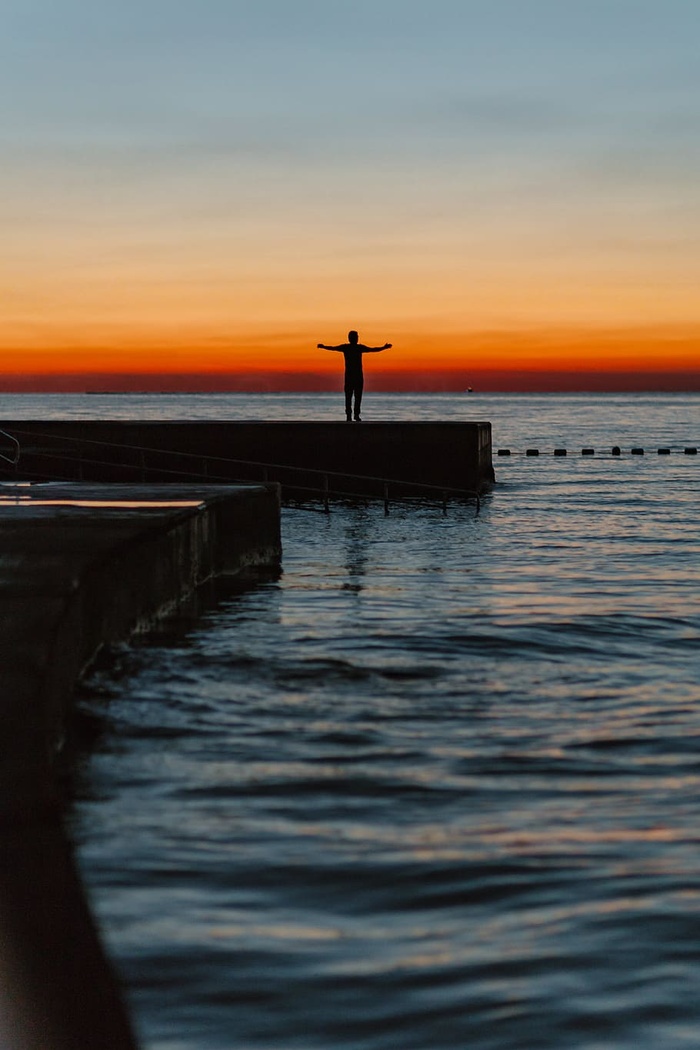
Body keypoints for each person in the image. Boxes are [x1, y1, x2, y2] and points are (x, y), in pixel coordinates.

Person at [317, 330, 392, 421]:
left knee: (356, 396)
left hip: (357, 377)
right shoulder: (348, 347)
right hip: (351, 377)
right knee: (350, 396)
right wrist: (323, 346)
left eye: (357, 337)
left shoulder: (357, 348)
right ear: (350, 338)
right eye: (355, 337)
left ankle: (355, 415)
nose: (356, 338)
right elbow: (333, 348)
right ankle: (349, 415)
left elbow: (373, 349)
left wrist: (384, 347)